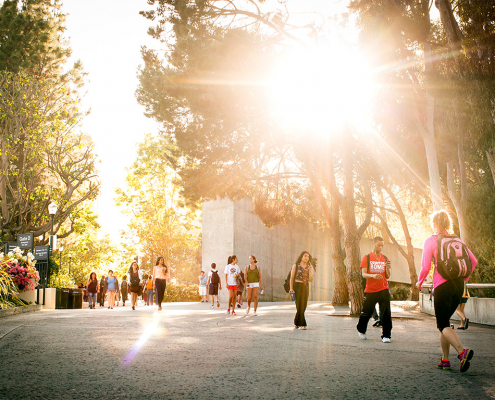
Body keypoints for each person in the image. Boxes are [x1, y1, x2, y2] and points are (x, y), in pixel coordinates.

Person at [416, 210, 477, 372]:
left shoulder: (430, 241)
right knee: (443, 324)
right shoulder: (457, 239)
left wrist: (419, 282)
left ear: (434, 224)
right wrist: (463, 279)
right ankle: (445, 360)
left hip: (442, 286)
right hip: (458, 286)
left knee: (442, 323)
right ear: (448, 224)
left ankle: (462, 351)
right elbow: (474, 261)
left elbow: (425, 267)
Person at [356, 237, 392, 342]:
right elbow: (364, 274)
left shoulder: (385, 258)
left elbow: (388, 276)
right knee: (367, 312)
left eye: (382, 246)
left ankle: (386, 335)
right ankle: (361, 330)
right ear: (373, 244)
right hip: (371, 289)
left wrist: (387, 268)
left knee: (386, 313)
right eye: (378, 245)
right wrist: (373, 276)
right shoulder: (367, 258)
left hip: (384, 288)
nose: (380, 248)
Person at [289, 251, 314, 330]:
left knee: (304, 305)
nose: (307, 258)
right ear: (301, 257)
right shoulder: (296, 266)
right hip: (297, 286)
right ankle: (303, 324)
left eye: (308, 257)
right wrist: (291, 288)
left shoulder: (310, 267)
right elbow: (292, 278)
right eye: (305, 256)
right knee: (299, 305)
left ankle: (296, 322)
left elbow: (310, 280)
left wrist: (310, 273)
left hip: (305, 287)